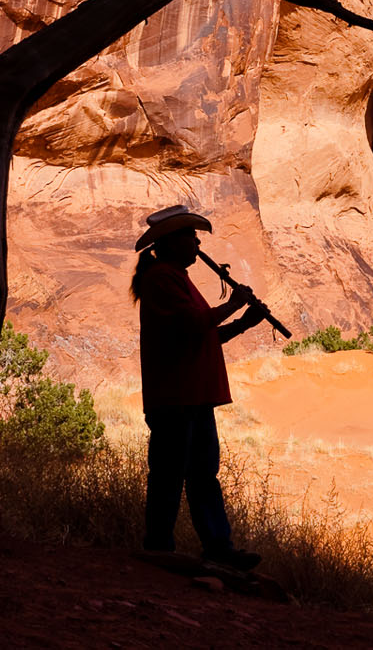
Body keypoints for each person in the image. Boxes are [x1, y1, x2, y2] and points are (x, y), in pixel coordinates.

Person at [131, 204, 266, 570]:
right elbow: (194, 325)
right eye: (190, 236)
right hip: (175, 396)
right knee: (170, 475)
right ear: (171, 242)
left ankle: (218, 547)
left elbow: (202, 336)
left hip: (193, 395)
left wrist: (244, 323)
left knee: (202, 474)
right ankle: (159, 547)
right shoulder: (161, 278)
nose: (196, 242)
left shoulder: (176, 277)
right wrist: (234, 303)